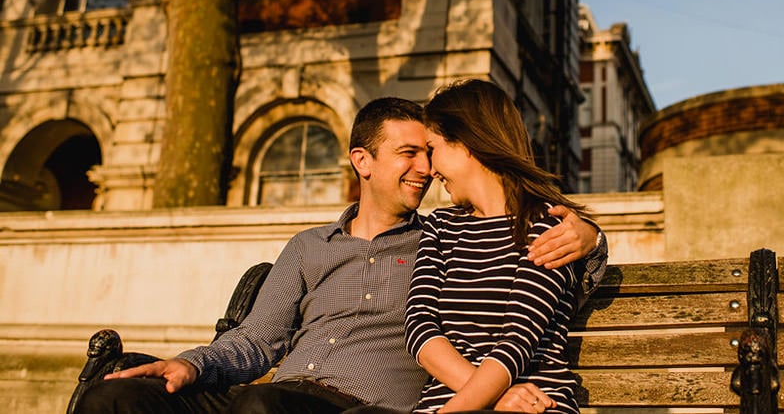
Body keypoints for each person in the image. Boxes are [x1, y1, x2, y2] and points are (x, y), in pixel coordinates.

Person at [77, 96, 605, 413]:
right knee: (113, 401)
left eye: (429, 153)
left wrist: (590, 236)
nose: (425, 168)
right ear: (363, 161)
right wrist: (190, 365)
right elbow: (258, 339)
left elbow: (515, 250)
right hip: (273, 396)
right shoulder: (309, 246)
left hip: (355, 405)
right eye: (408, 154)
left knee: (261, 406)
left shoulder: (439, 238)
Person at [404, 79, 589, 414]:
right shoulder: (440, 227)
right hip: (452, 403)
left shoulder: (547, 227)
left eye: (434, 149)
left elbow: (517, 341)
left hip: (534, 404)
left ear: (466, 143)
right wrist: (489, 398)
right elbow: (419, 326)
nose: (430, 170)